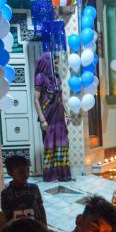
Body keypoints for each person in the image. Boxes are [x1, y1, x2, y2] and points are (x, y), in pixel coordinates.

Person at [33, 52, 71, 182]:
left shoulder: (57, 77)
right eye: (54, 63)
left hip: (59, 117)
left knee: (62, 144)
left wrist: (67, 113)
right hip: (48, 117)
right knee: (50, 145)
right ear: (47, 63)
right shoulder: (40, 77)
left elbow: (60, 97)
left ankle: (62, 174)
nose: (56, 65)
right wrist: (42, 119)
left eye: (57, 62)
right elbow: (36, 100)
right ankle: (51, 175)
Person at [1, 155, 47, 226]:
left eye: (28, 170)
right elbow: (6, 217)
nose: (26, 174)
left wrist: (45, 227)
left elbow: (41, 209)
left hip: (35, 230)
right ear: (10, 172)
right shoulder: (6, 193)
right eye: (21, 172)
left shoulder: (34, 188)